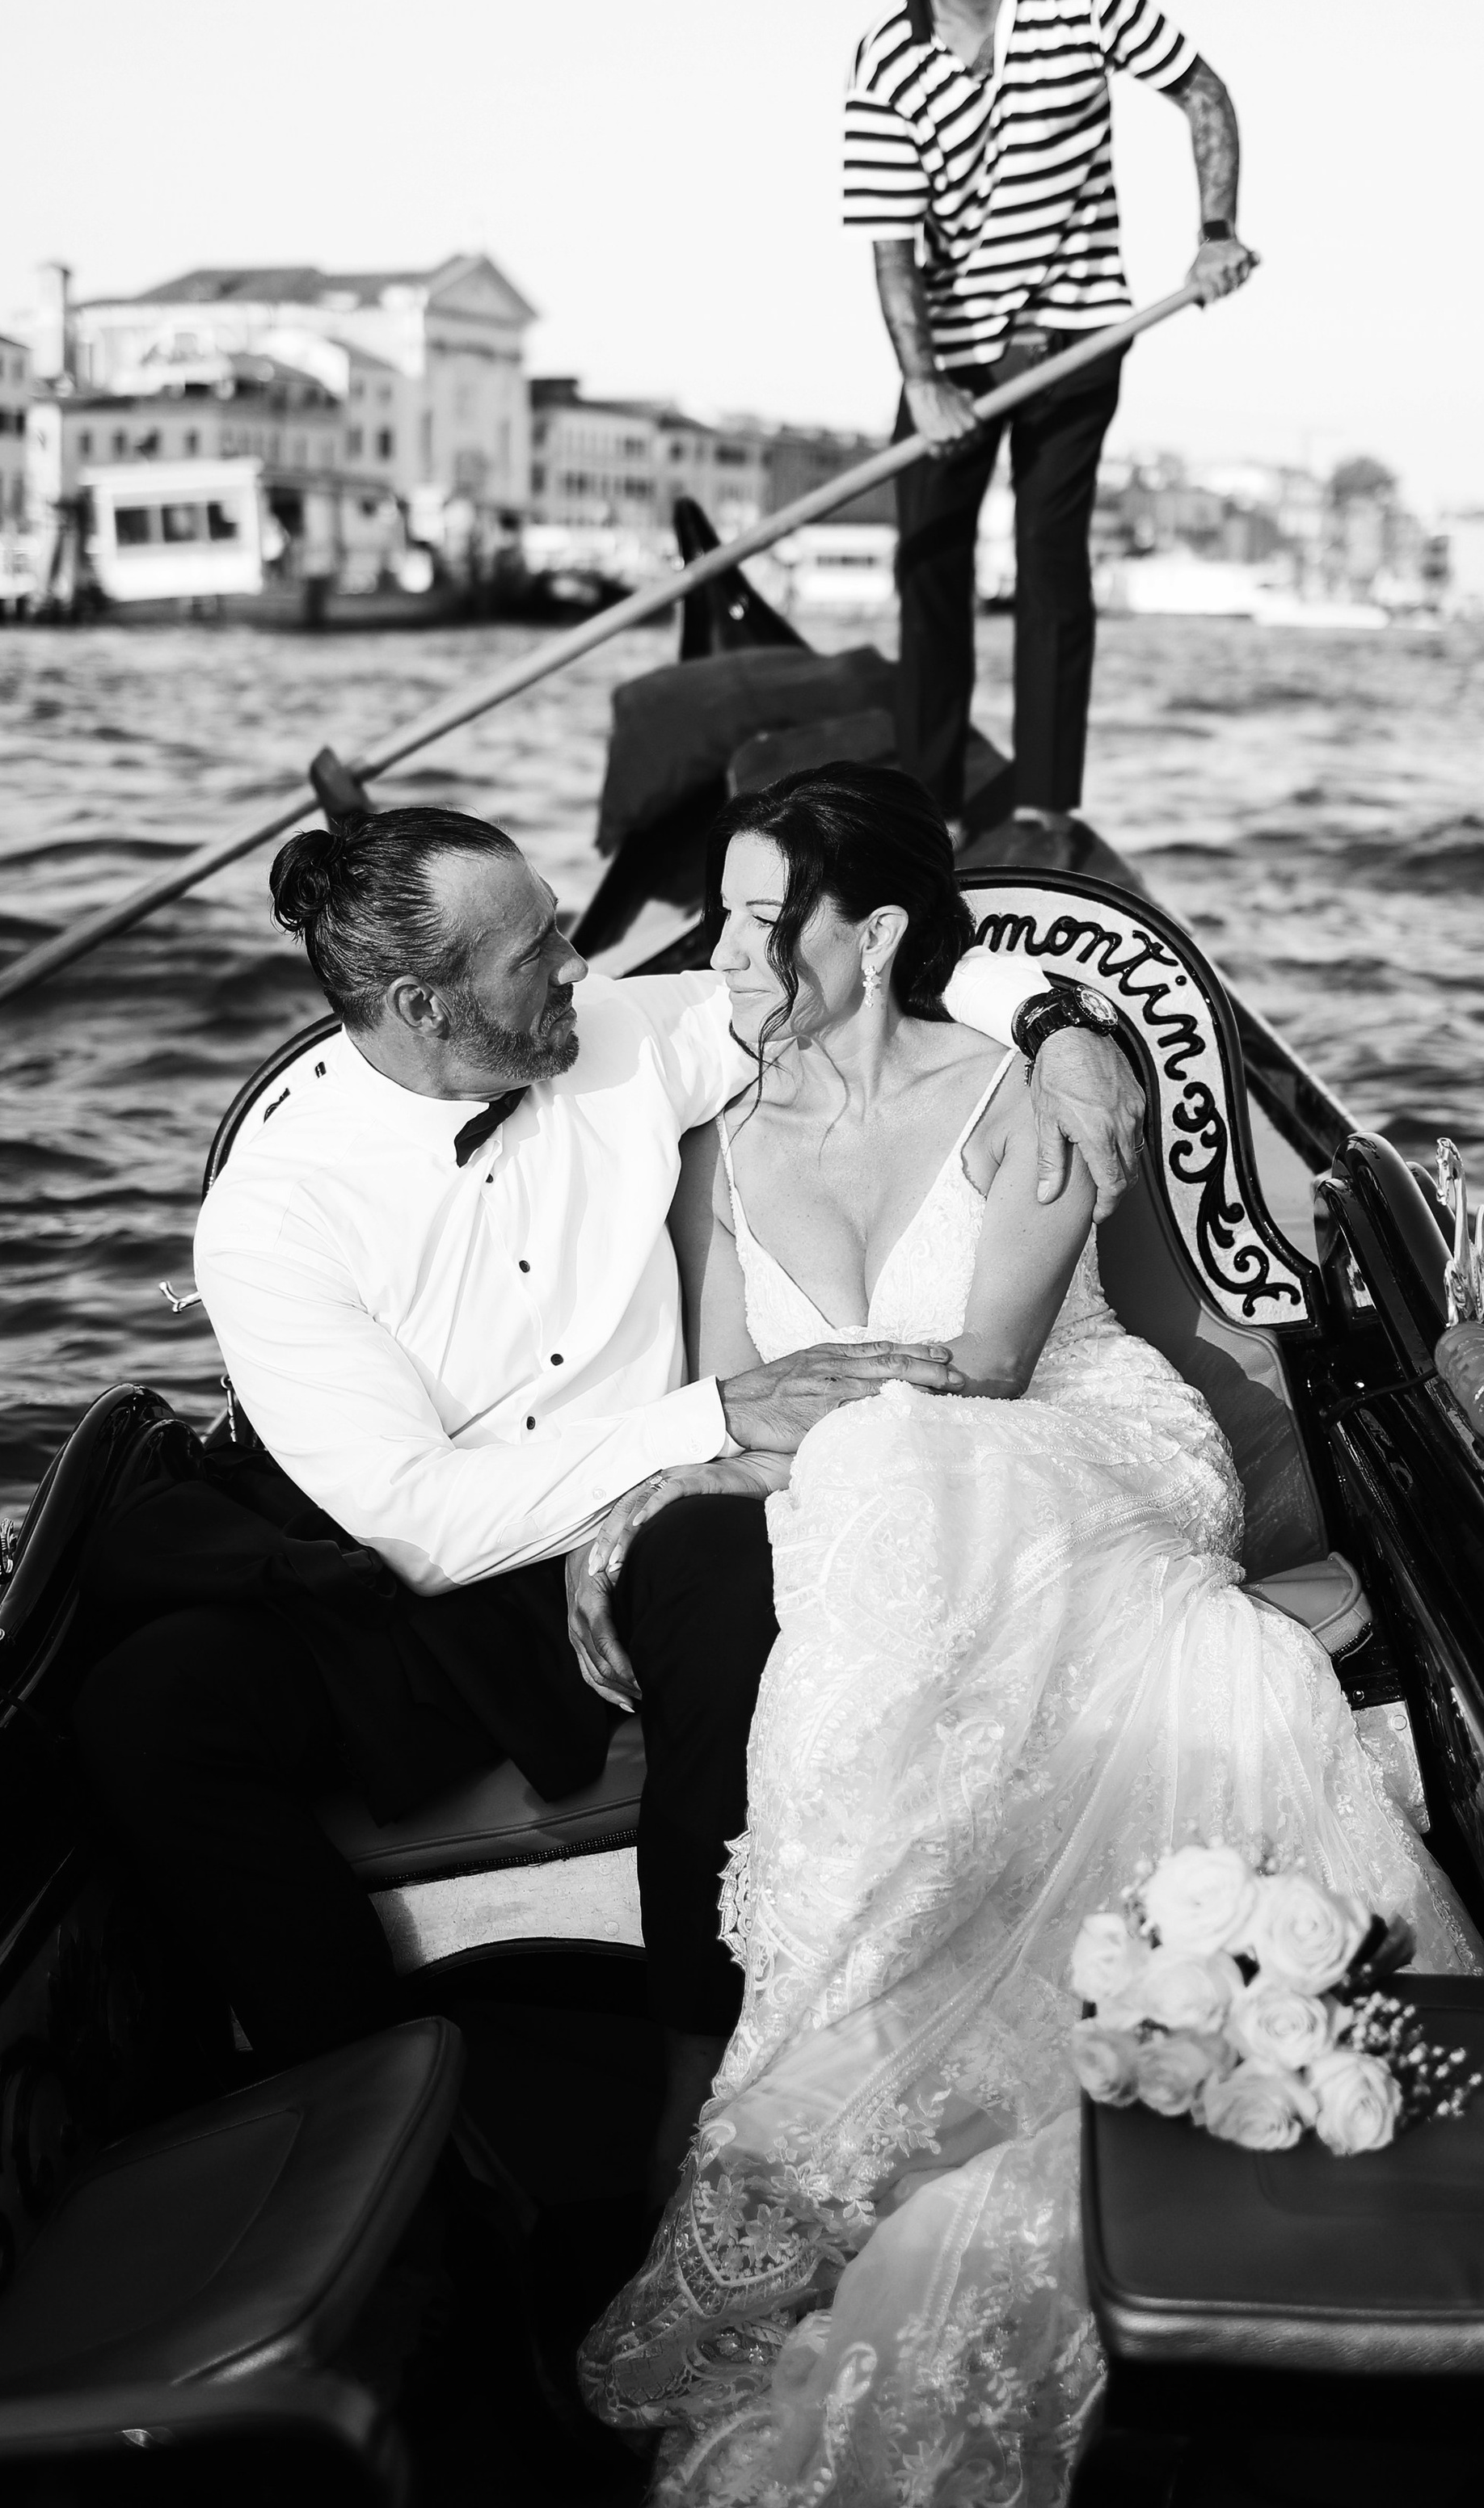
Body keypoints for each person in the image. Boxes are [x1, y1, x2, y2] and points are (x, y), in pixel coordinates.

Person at [580, 765, 1478, 2502]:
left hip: (1082, 1451)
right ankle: (835, 2038)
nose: (737, 947)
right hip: (878, 1492)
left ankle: (840, 2027)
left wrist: (752, 1435)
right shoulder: (717, 1131)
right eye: (734, 912)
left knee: (899, 1465)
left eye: (774, 915)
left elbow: (983, 1372)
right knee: (867, 1484)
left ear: (884, 932)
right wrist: (640, 1488)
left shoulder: (1022, 1101)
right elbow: (717, 1391)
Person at [70, 803, 1145, 2184]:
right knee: (146, 1707)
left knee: (721, 1564)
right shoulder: (276, 1211)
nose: (582, 963)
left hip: (658, 1535)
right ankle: (365, 2120)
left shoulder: (632, 1035)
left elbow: (879, 964)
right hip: (414, 1579)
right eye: (538, 952)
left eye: (564, 925)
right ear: (421, 1003)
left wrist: (1064, 1028)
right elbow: (421, 1517)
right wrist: (704, 1416)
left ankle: (703, 2073)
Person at [843, 0, 1260, 866]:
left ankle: (1045, 813)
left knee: (1050, 565)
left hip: (1078, 331)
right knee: (928, 564)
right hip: (953, 348)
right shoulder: (885, 59)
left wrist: (1214, 232)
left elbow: (1198, 88)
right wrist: (924, 381)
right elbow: (891, 244)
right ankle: (927, 801)